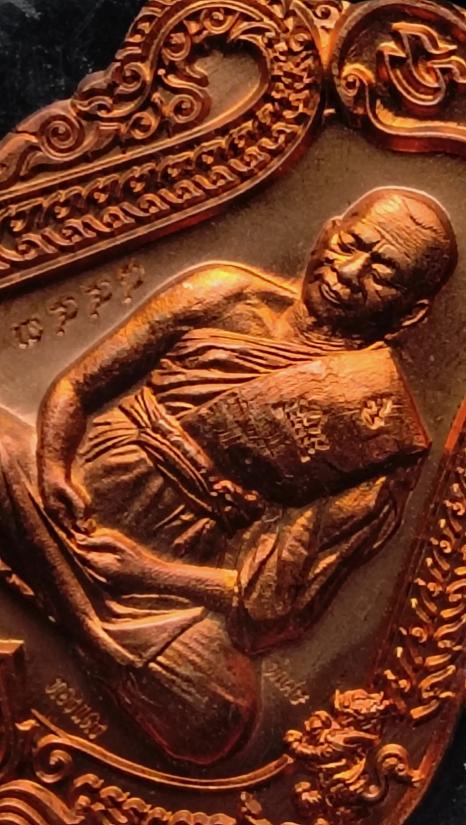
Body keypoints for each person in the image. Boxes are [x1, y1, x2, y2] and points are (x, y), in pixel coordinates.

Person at [0, 187, 457, 766]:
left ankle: (55, 586)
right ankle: (88, 626)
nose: (349, 273)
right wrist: (52, 468)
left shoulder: (381, 433)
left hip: (159, 591)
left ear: (410, 313)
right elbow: (77, 387)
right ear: (328, 232)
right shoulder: (223, 293)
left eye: (383, 272)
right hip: (69, 501)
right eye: (352, 244)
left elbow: (277, 605)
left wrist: (146, 572)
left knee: (219, 717)